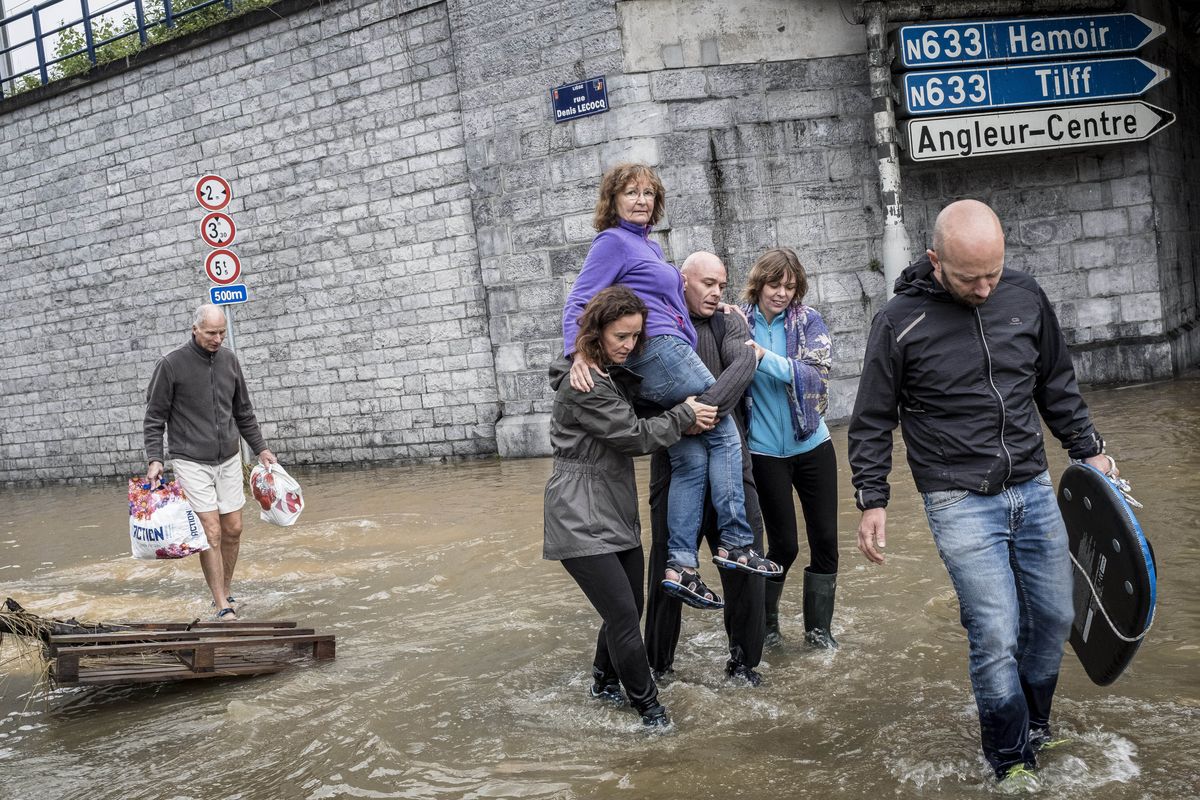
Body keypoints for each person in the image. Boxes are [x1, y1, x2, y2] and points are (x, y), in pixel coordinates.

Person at [848, 199, 1114, 786]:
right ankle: (1010, 761)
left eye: (993, 273)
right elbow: (871, 417)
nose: (986, 288)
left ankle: (1035, 727)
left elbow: (1056, 383)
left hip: (1033, 485)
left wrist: (1088, 448)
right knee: (994, 629)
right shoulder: (899, 320)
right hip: (958, 497)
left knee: (1054, 616)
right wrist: (873, 498)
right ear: (935, 260)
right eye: (971, 278)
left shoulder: (1024, 295)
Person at [562, 162, 779, 610]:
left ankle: (680, 565)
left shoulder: (647, 246)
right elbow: (580, 300)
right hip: (660, 351)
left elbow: (675, 298)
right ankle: (736, 543)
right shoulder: (612, 242)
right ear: (613, 200)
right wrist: (577, 353)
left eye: (648, 193)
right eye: (631, 192)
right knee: (724, 433)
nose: (641, 200)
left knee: (692, 461)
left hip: (658, 357)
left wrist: (723, 311)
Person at [544, 286, 717, 727]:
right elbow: (635, 437)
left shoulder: (603, 370)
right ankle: (652, 712)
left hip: (614, 508)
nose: (630, 345)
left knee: (627, 609)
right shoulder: (584, 385)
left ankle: (603, 682)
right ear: (597, 332)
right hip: (578, 515)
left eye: (636, 336)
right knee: (622, 616)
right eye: (621, 336)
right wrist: (685, 414)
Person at [645, 252, 768, 685]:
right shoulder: (657, 324)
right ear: (681, 282)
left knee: (746, 569)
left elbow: (743, 364)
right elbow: (641, 392)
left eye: (722, 285)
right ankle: (657, 667)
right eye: (707, 284)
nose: (716, 293)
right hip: (676, 468)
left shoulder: (729, 322)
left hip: (734, 467)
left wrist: (699, 413)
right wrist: (683, 419)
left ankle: (743, 665)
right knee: (668, 569)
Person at [143, 304, 278, 621]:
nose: (218, 338)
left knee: (234, 529)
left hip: (229, 458)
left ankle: (225, 589)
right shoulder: (171, 365)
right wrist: (155, 459)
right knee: (211, 532)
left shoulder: (230, 360)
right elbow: (154, 418)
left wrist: (261, 448)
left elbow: (243, 411)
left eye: (222, 332)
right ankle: (221, 605)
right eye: (211, 333)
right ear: (195, 329)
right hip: (191, 461)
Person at [741, 248, 840, 649]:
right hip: (765, 453)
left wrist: (765, 358)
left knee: (826, 542)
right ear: (759, 284)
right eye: (774, 284)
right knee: (783, 545)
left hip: (813, 445)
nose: (781, 293)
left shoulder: (808, 320)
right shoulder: (737, 323)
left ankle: (819, 633)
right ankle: (765, 628)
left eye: (790, 286)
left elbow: (816, 375)